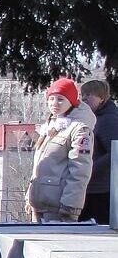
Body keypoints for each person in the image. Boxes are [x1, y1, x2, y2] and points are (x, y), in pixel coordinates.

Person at [28, 78, 96, 223]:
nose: (54, 104)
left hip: (59, 206)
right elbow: (38, 166)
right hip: (39, 204)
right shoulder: (49, 127)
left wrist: (71, 206)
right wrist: (30, 195)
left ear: (71, 101)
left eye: (60, 99)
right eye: (51, 99)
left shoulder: (79, 129)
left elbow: (80, 170)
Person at [80, 79, 117, 225]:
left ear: (101, 97)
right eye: (82, 95)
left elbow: (114, 152)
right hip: (91, 187)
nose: (84, 99)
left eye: (89, 95)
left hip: (101, 189)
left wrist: (90, 168)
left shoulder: (109, 120)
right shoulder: (94, 118)